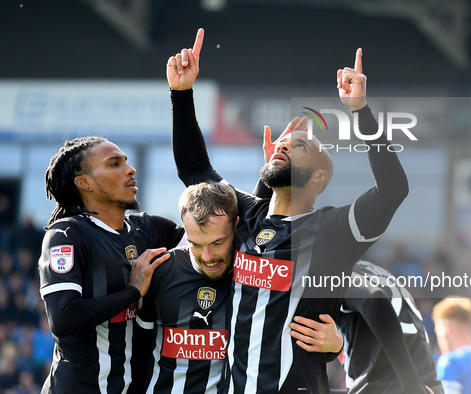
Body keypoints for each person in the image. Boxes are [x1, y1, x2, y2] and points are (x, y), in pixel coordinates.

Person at [168, 28, 409, 393]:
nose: (282, 146)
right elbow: (194, 171)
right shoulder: (246, 215)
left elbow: (393, 190)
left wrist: (360, 112)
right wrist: (182, 94)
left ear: (320, 175)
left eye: (298, 146)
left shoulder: (334, 229)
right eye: (281, 143)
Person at [134, 182, 344, 394]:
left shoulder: (253, 275)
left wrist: (335, 345)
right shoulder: (161, 271)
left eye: (217, 243)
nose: (207, 257)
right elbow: (139, 350)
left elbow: (286, 340)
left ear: (236, 227)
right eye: (195, 244)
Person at [38, 136, 186, 393]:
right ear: (84, 183)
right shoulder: (67, 235)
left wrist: (270, 184)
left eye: (126, 161)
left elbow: (217, 237)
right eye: (114, 164)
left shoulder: (150, 229)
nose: (130, 170)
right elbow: (64, 317)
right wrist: (132, 292)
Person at [336, 261, 442, 394]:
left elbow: (374, 300)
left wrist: (413, 387)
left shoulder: (334, 275)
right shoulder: (378, 273)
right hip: (428, 386)